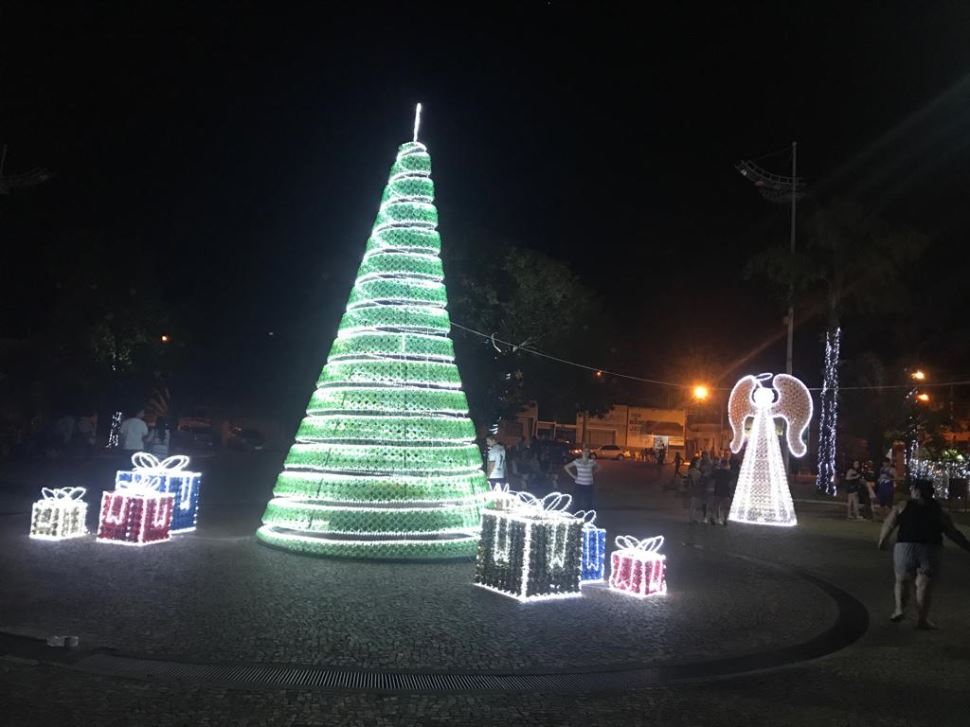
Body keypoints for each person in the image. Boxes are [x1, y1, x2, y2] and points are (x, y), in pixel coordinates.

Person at [878, 479, 970, 629]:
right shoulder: (938, 510)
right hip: (931, 548)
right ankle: (922, 620)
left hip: (905, 546)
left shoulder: (903, 505)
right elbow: (952, 532)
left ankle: (899, 610)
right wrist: (967, 546)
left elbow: (890, 523)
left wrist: (882, 540)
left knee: (901, 579)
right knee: (924, 584)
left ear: (915, 490)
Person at [564, 445, 599, 511]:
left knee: (589, 501)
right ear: (582, 452)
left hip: (589, 485)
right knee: (577, 501)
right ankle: (576, 515)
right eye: (584, 451)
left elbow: (599, 467)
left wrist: (593, 473)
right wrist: (573, 476)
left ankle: (589, 515)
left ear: (589, 453)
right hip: (579, 484)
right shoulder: (577, 461)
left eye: (587, 452)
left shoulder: (591, 461)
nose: (586, 453)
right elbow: (566, 467)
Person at [711, 459, 734, 525]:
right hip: (726, 491)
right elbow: (731, 481)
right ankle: (725, 519)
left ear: (721, 464)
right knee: (726, 507)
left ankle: (713, 517)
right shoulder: (730, 473)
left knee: (716, 505)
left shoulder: (717, 472)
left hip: (718, 490)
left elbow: (712, 477)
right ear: (727, 465)